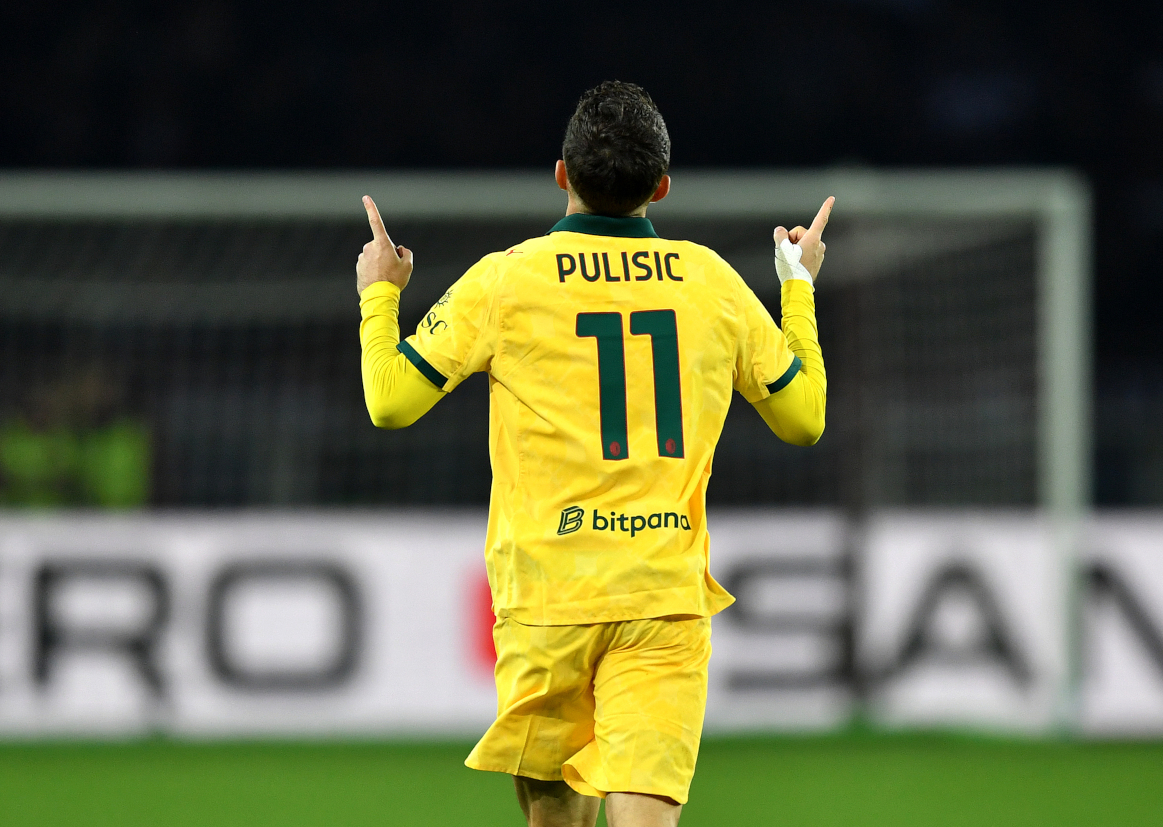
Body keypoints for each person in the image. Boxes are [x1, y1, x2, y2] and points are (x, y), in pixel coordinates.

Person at [356, 80, 830, 827]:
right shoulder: (711, 282)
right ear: (662, 186)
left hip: (549, 598)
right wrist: (797, 286)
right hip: (661, 598)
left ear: (561, 174)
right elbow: (804, 420)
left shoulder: (507, 278)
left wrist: (380, 292)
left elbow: (389, 401)